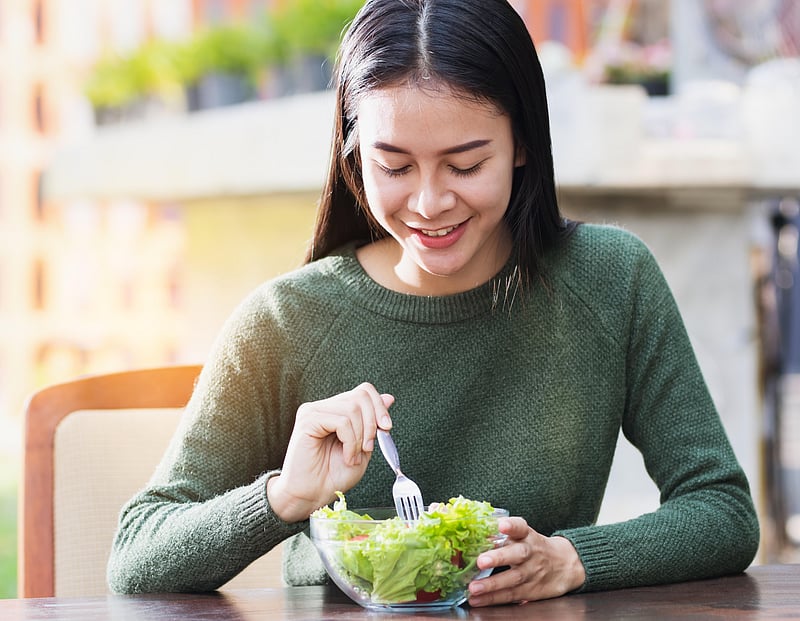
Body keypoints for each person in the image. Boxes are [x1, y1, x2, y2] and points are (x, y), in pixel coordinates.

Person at [107, 0, 760, 605]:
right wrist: (286, 495)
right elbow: (137, 554)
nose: (429, 202)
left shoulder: (611, 281)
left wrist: (571, 558)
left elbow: (722, 510)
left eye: (466, 165)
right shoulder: (285, 320)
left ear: (522, 144)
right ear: (354, 152)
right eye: (394, 165)